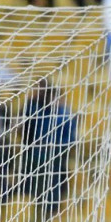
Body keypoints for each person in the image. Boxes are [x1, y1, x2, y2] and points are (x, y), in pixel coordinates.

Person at [21, 78, 77, 214]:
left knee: (52, 185)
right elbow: (24, 128)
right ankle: (33, 209)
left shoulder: (65, 114)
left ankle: (49, 211)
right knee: (32, 186)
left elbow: (70, 139)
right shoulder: (35, 109)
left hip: (54, 158)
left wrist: (55, 147)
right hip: (34, 157)